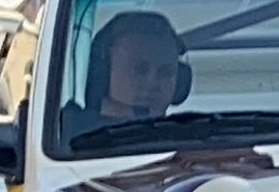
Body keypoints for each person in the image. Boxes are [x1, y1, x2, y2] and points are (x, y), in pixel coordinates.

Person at [68, 8, 193, 144]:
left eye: (166, 73)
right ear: (101, 72)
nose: (152, 82)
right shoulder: (68, 138)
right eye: (140, 70)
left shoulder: (190, 141)